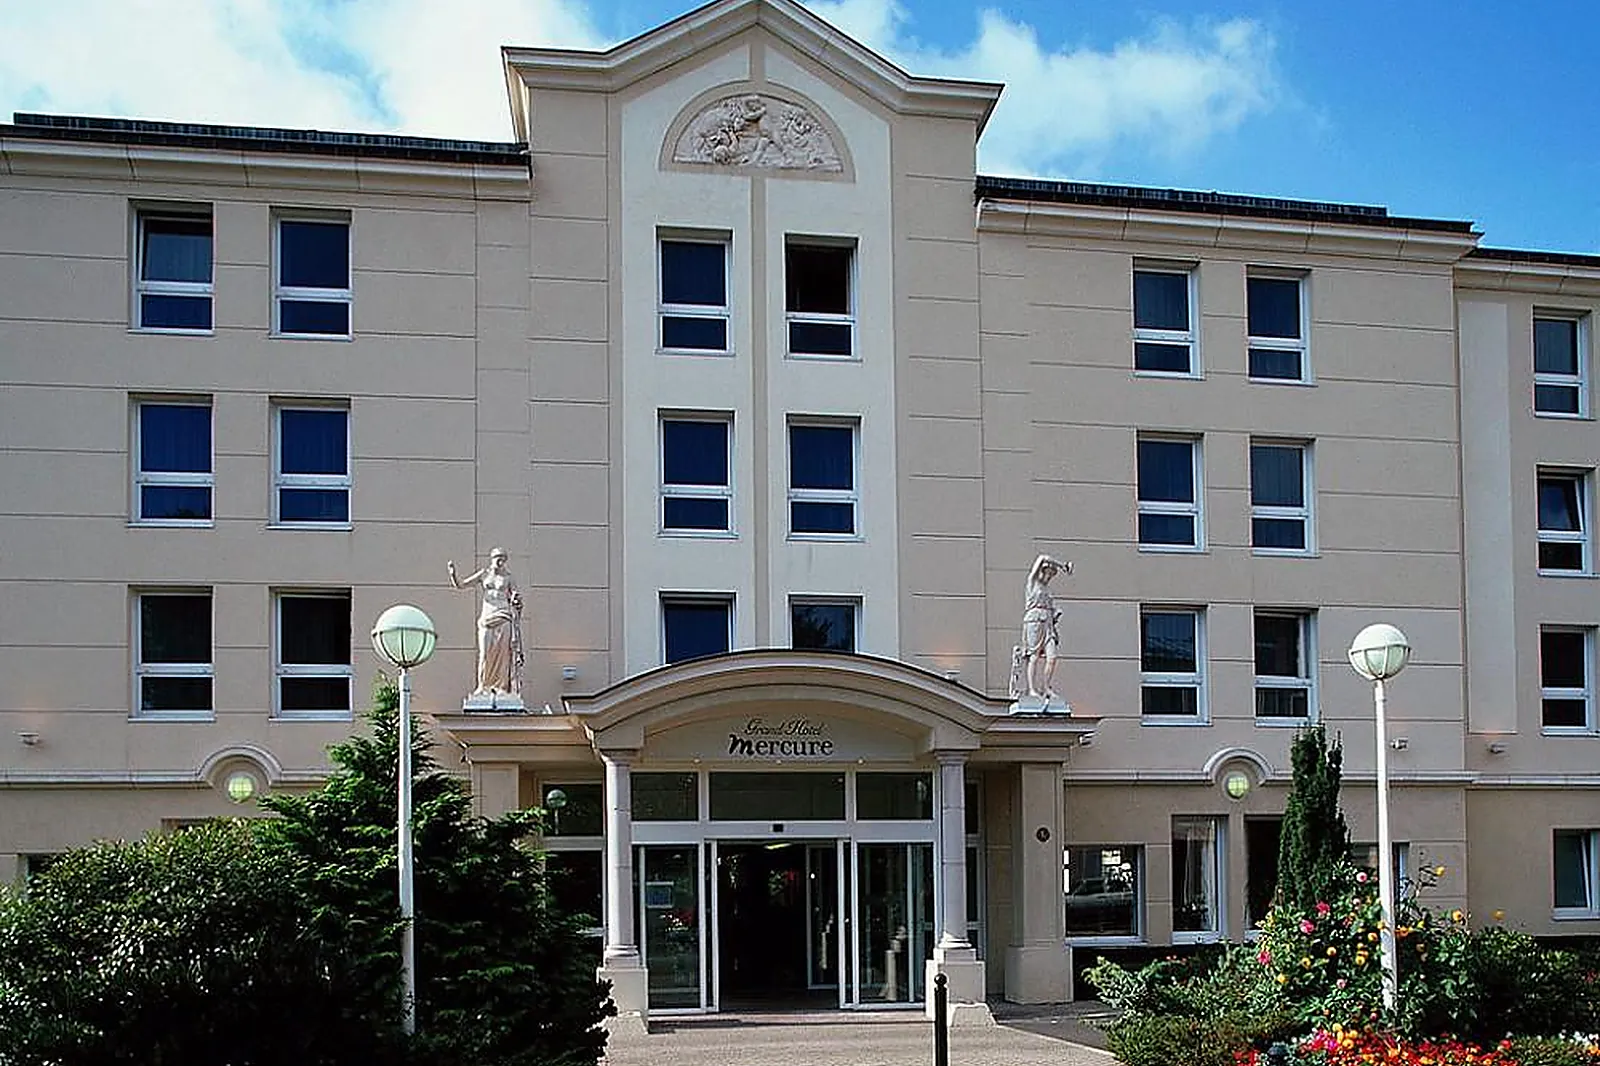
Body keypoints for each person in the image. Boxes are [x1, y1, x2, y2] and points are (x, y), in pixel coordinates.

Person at [447, 547, 523, 698]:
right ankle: (483, 686)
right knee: (485, 654)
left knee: (504, 655)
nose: (500, 561)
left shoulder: (509, 577)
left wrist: (516, 600)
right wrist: (453, 574)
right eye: (498, 557)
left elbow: (515, 597)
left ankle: (502, 687)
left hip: (504, 616)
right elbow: (461, 585)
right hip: (487, 618)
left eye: (503, 558)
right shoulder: (484, 574)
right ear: (492, 558)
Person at [1018, 553, 1071, 701]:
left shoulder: (1047, 590)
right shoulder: (1032, 582)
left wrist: (1055, 615)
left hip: (1048, 623)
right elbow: (1042, 557)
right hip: (1034, 621)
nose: (1048, 577)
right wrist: (1062, 565)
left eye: (1051, 575)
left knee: (1052, 657)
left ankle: (1046, 687)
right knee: (1033, 656)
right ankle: (1032, 689)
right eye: (1046, 573)